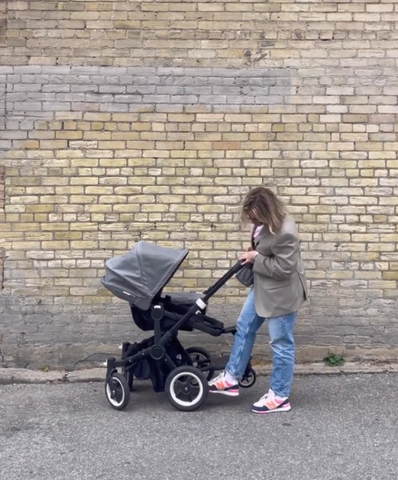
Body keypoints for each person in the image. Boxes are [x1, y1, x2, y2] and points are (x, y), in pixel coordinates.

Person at [209, 187, 307, 414]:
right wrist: (254, 252)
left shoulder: (286, 232)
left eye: (254, 215)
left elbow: (284, 268)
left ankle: (280, 396)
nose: (251, 219)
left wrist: (256, 257)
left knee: (281, 344)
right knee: (244, 326)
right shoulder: (262, 223)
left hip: (282, 294)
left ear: (266, 210)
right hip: (263, 286)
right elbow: (264, 248)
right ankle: (232, 377)